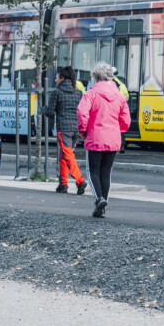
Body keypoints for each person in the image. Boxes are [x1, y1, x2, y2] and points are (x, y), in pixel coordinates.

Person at [77, 62, 131, 218]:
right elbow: (126, 120)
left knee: (92, 170)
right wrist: (117, 130)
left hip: (95, 137)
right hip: (113, 138)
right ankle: (103, 204)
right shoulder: (120, 96)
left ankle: (99, 199)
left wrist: (83, 130)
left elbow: (82, 114)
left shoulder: (91, 94)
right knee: (106, 172)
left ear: (96, 77)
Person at [44, 65, 86, 195]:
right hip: (75, 129)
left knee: (68, 156)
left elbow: (50, 113)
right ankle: (63, 184)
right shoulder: (78, 93)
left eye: (56, 77)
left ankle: (80, 180)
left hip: (64, 129)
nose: (55, 80)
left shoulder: (57, 92)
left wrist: (44, 110)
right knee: (64, 156)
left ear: (62, 78)